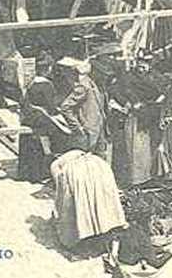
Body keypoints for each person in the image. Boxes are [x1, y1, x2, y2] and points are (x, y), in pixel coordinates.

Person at [50, 144, 127, 251]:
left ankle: (82, 234)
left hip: (77, 172)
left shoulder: (55, 165)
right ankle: (106, 227)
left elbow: (61, 196)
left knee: (78, 203)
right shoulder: (77, 153)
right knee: (102, 198)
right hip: (99, 166)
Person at [17, 51, 62, 182]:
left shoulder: (31, 82)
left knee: (31, 143)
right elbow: (51, 106)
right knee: (57, 134)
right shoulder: (46, 84)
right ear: (48, 68)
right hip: (40, 118)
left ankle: (27, 173)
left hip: (29, 117)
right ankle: (43, 171)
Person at [57, 58, 109, 158]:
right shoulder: (84, 86)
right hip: (88, 132)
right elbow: (65, 107)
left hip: (98, 131)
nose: (104, 76)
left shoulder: (94, 85)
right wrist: (77, 127)